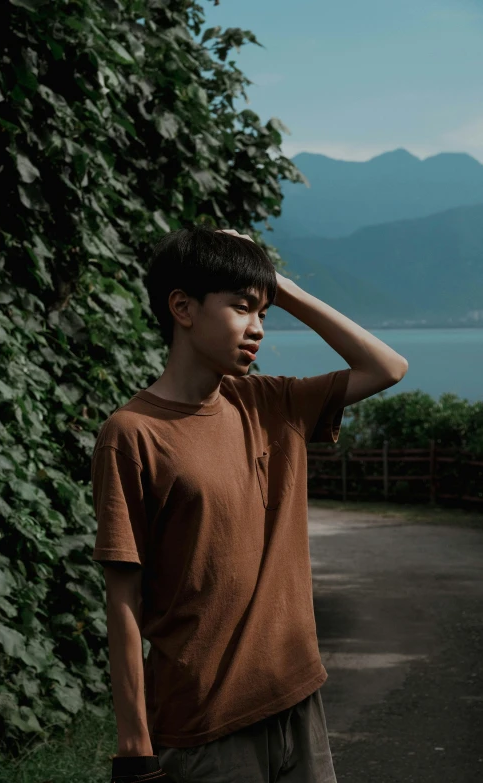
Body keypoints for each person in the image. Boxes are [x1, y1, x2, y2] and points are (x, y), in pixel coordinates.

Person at [91, 225, 408, 783]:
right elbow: (123, 601)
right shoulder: (133, 433)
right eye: (242, 308)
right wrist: (134, 747)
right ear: (182, 308)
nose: (258, 327)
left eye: (266, 312)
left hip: (297, 701)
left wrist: (275, 285)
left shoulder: (271, 403)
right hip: (203, 729)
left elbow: (387, 368)